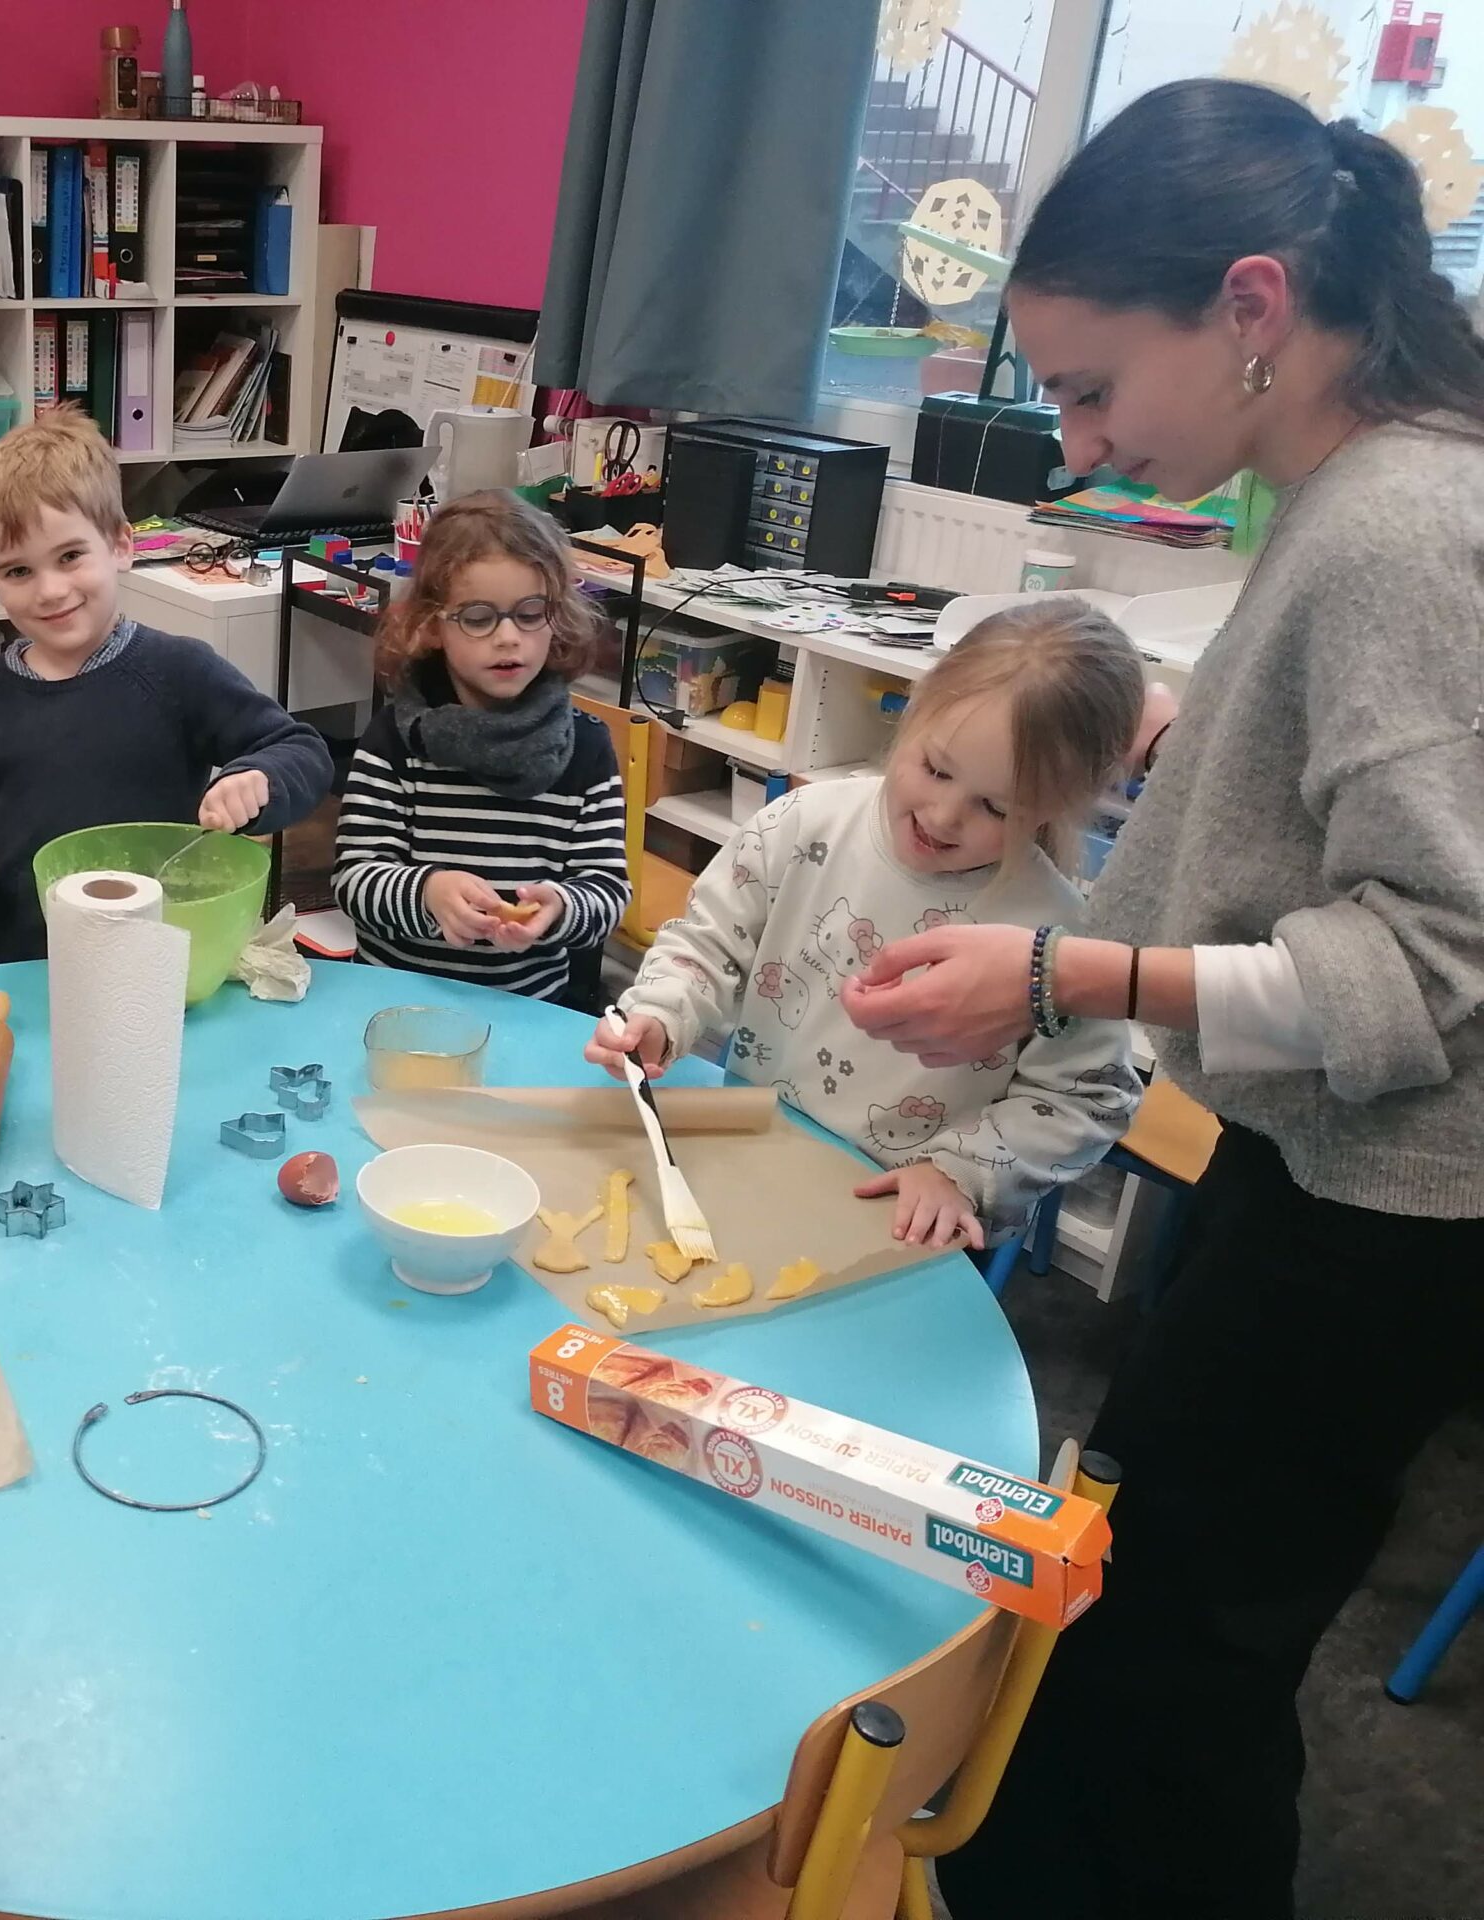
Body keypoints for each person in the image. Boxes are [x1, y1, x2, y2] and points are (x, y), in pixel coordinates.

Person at [831, 80, 1484, 1918]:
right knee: (1143, 1589)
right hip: (1319, 1175)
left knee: (1179, 1648)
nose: (1080, 435)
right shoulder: (1361, 485)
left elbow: (1433, 958)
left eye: (1095, 386)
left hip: (1382, 1210)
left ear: (1253, 307)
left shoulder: (1397, 524)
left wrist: (1060, 968)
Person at [592, 604, 1146, 1247]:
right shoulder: (801, 825)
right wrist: (661, 1014)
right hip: (749, 1168)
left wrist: (960, 1171)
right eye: (935, 769)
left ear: (1059, 805)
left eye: (996, 807)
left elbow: (1088, 1098)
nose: (943, 815)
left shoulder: (1058, 940)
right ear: (912, 714)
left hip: (895, 1225)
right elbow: (708, 944)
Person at [0, 408, 333, 966]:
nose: (49, 590)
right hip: (20, 961)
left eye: (70, 556)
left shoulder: (179, 671)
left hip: (156, 961)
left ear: (120, 546)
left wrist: (257, 779)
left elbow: (301, 749)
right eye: (18, 571)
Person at [331, 492, 630, 1009]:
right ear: (432, 625)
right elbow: (354, 878)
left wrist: (560, 908)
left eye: (531, 613)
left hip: (524, 1011)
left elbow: (606, 890)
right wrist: (426, 893)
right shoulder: (396, 739)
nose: (508, 637)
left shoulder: (586, 749)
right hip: (396, 1003)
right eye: (477, 617)